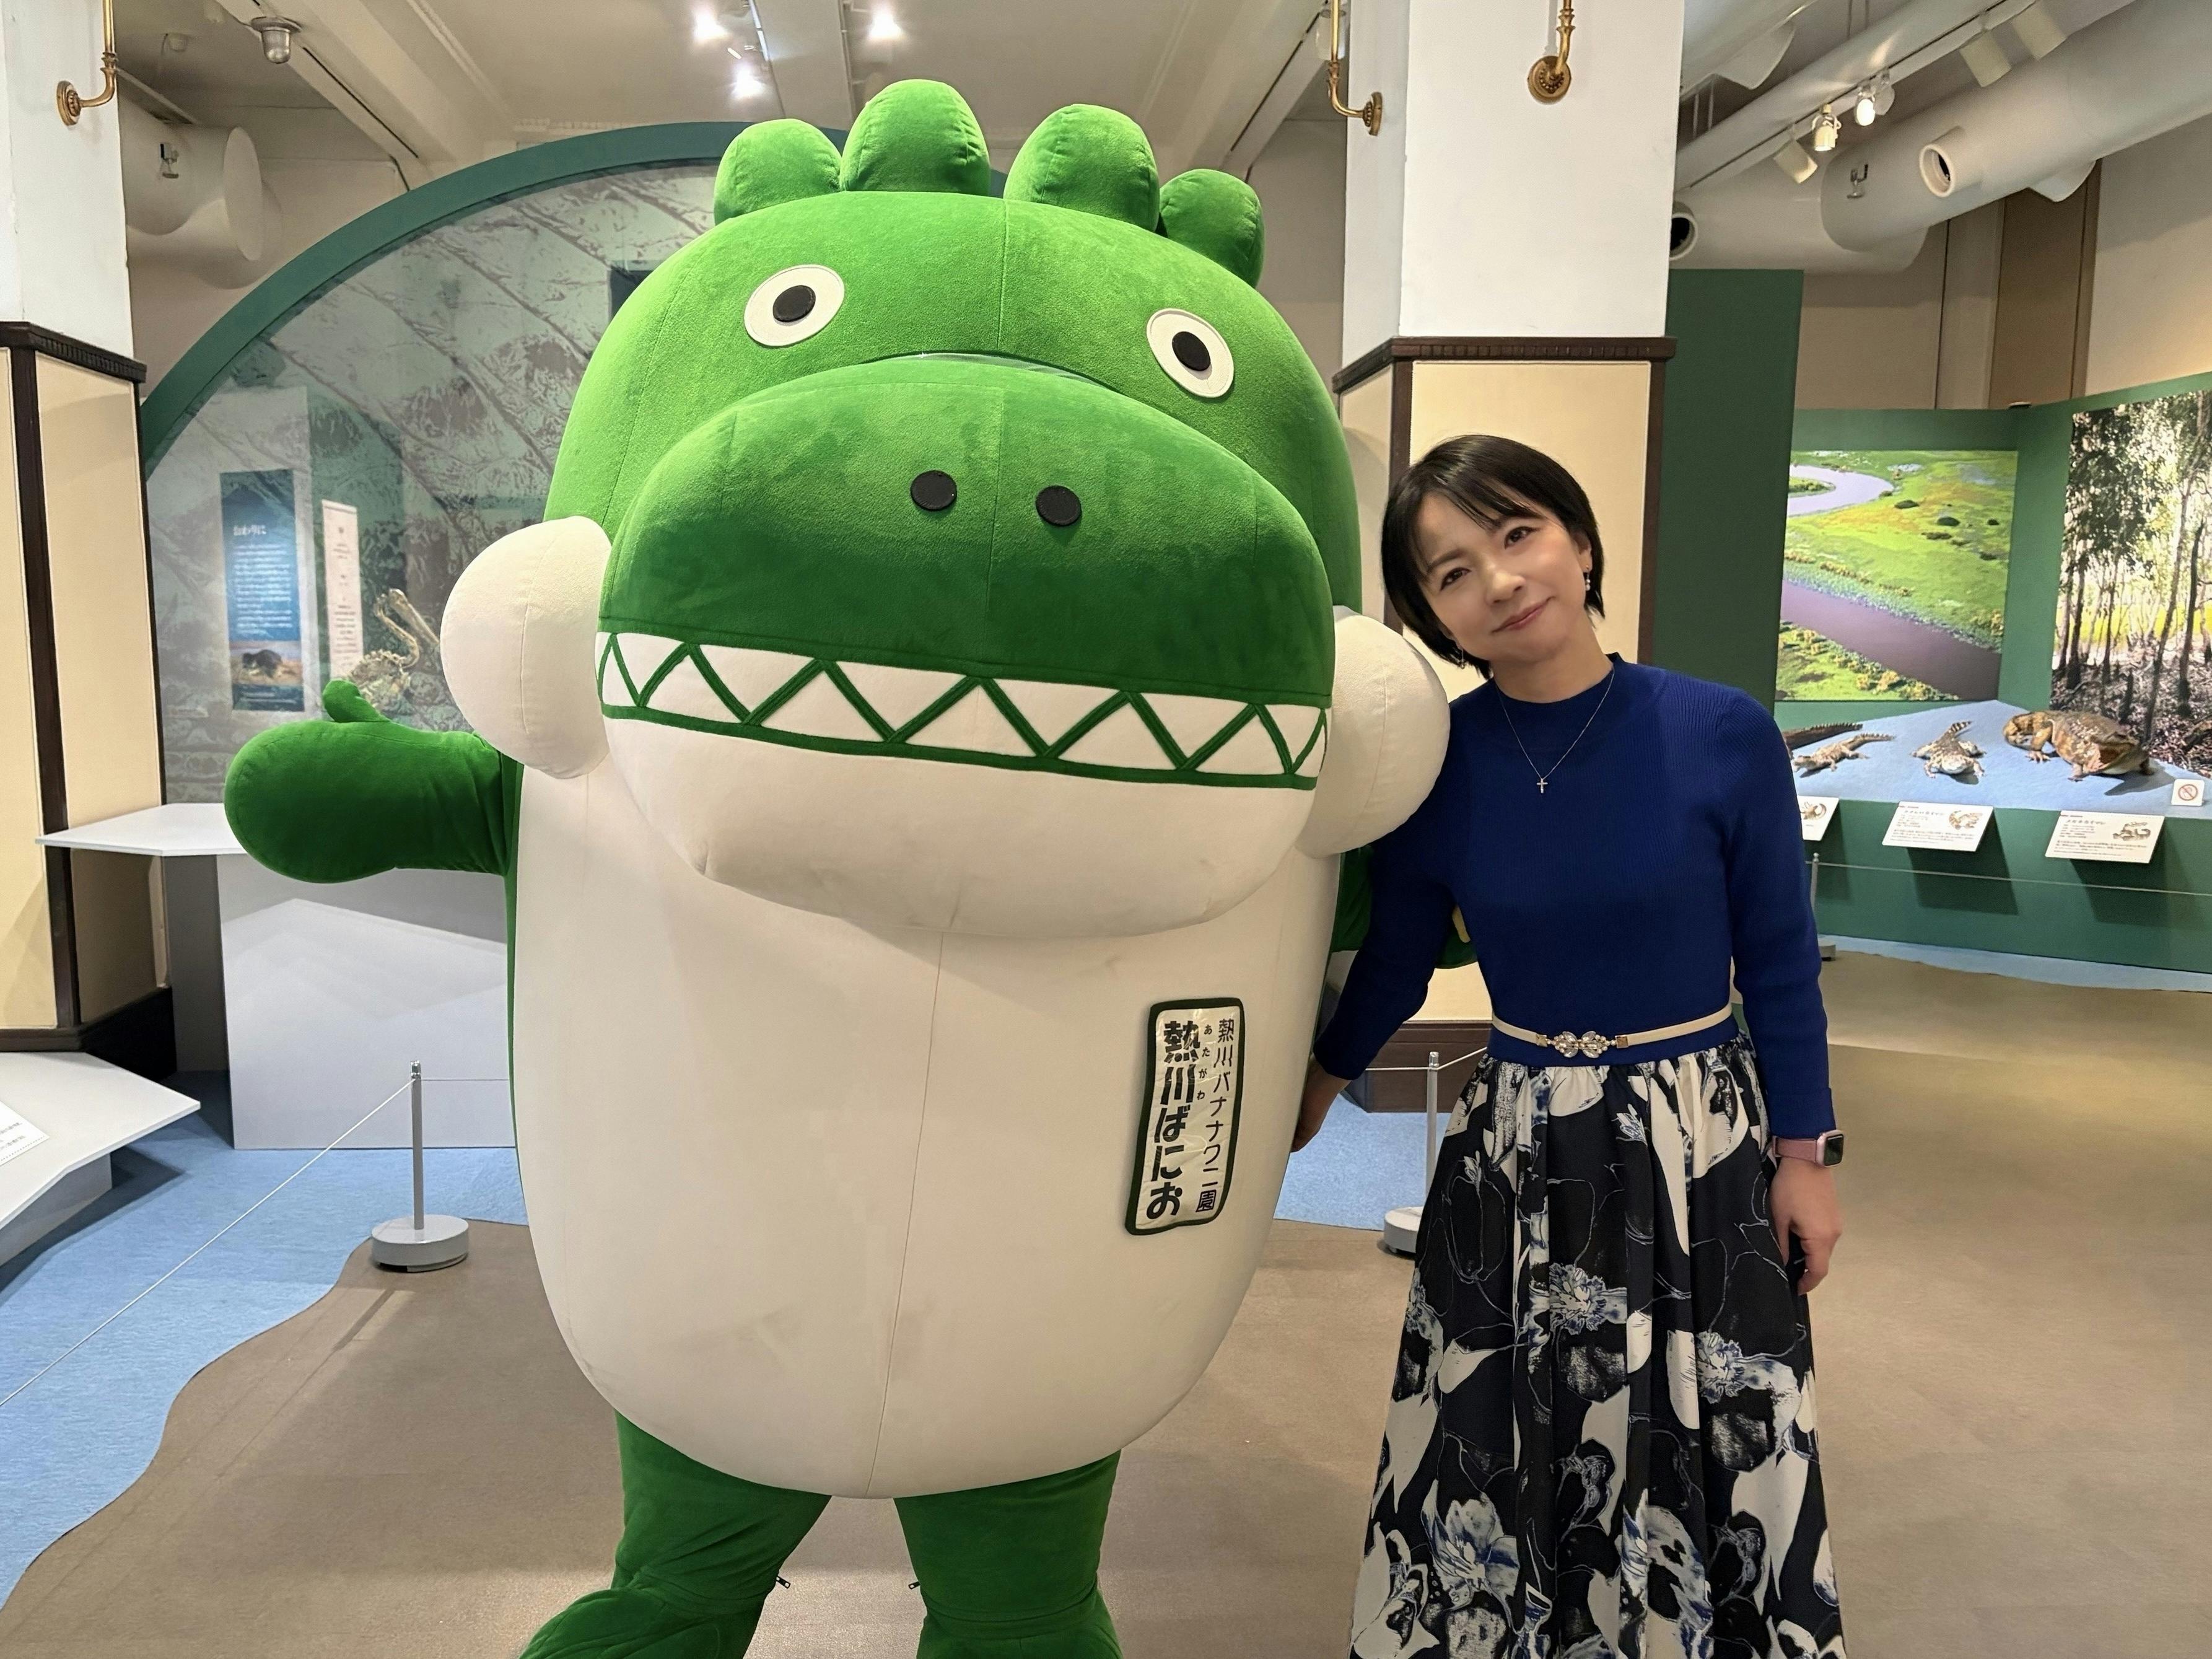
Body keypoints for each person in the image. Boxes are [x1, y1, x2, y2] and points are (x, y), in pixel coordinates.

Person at [1295, 435, 1847, 1658]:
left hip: (1699, 1144)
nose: (1497, 580)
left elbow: (1779, 959)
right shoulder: (1438, 762)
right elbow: (1397, 956)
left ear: (1580, 543)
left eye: (1517, 533)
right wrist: (1321, 1081)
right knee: (1500, 1421)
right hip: (1515, 1143)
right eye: (1450, 572)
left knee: (1709, 1423)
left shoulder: (1720, 731)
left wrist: (1806, 1155)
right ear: (1430, 614)